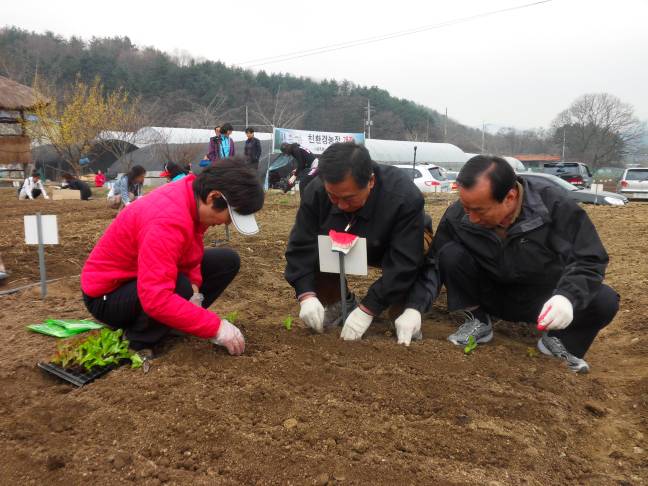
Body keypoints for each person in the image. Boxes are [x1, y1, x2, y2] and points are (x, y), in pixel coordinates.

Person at [434, 154, 619, 373]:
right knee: (449, 253)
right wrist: (414, 307)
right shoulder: (459, 215)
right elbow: (433, 262)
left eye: (480, 210)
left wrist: (566, 297)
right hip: (490, 294)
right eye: (466, 207)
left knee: (604, 300)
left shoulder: (553, 206)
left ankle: (557, 341)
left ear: (510, 197)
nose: (471, 218)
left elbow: (589, 257)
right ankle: (478, 321)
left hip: (542, 302)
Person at [81, 157, 264, 355]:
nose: (227, 223)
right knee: (178, 287)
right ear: (213, 197)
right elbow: (155, 296)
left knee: (226, 261)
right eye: (229, 216)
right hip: (106, 296)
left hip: (138, 276)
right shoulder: (167, 221)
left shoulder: (190, 195)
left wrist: (194, 287)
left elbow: (190, 250)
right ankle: (138, 340)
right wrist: (215, 327)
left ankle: (172, 323)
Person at [284, 142, 435, 345]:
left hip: (391, 244)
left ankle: (404, 306)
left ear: (371, 181)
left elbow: (405, 261)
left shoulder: (403, 195)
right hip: (344, 242)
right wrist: (306, 294)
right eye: (333, 197)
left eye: (349, 198)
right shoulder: (316, 191)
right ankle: (338, 302)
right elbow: (301, 246)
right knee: (319, 245)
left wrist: (369, 308)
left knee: (421, 250)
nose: (342, 205)